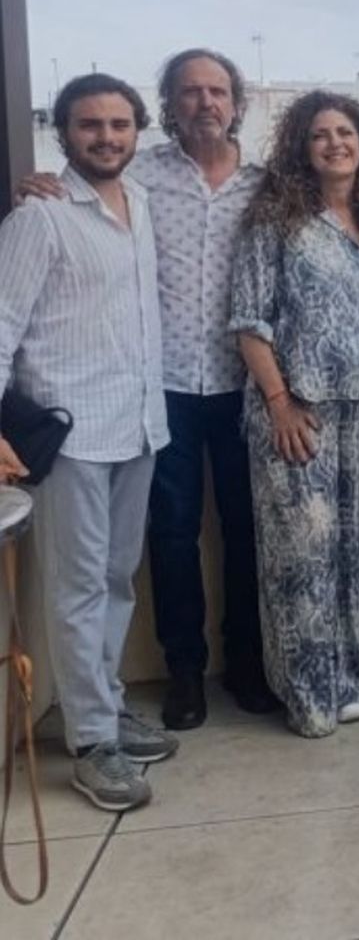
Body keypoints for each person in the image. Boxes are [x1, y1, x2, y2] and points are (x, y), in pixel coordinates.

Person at [14, 49, 275, 729]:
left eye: (218, 90)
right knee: (169, 535)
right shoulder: (140, 179)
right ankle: (184, 671)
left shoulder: (268, 184)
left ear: (236, 101)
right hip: (158, 393)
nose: (205, 103)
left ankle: (248, 664)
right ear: (168, 104)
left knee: (249, 531)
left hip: (242, 383)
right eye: (190, 92)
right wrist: (39, 185)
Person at [0, 74, 176, 810]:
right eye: (88, 125)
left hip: (136, 422)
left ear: (138, 130)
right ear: (62, 132)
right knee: (76, 587)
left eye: (118, 124)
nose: (106, 137)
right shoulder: (39, 218)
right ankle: (90, 743)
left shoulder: (140, 205)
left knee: (112, 578)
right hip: (70, 432)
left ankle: (103, 703)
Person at [229, 91, 359, 738]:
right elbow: (249, 321)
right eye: (319, 135)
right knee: (300, 554)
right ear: (301, 148)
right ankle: (309, 691)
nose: (335, 142)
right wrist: (279, 401)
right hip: (296, 410)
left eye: (346, 132)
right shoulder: (275, 218)